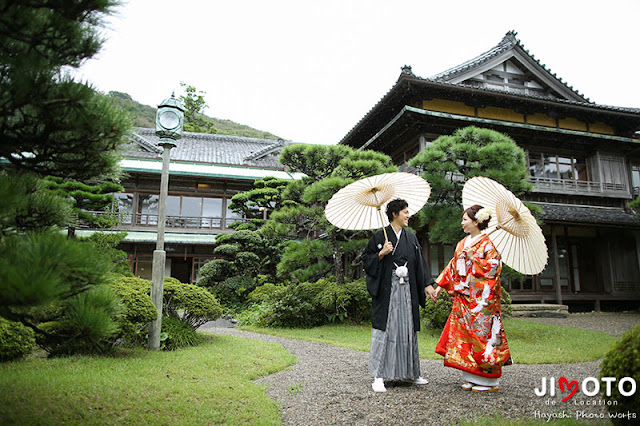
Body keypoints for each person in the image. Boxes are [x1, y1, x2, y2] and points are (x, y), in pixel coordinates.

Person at [432, 204, 512, 393]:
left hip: (481, 303)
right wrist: (439, 287)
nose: (462, 222)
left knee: (482, 339)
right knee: (463, 337)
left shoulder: (487, 244)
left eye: (465, 219)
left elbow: (494, 268)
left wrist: (475, 259)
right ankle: (470, 376)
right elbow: (453, 266)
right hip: (463, 299)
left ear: (476, 222)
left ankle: (489, 381)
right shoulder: (463, 242)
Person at [363, 198, 436, 393]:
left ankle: (411, 373)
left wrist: (428, 285)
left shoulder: (411, 238)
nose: (408, 215)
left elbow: (420, 264)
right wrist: (381, 254)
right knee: (386, 330)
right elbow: (366, 261)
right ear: (395, 214)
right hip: (388, 291)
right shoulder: (380, 237)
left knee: (407, 328)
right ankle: (379, 376)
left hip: (407, 291)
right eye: (405, 212)